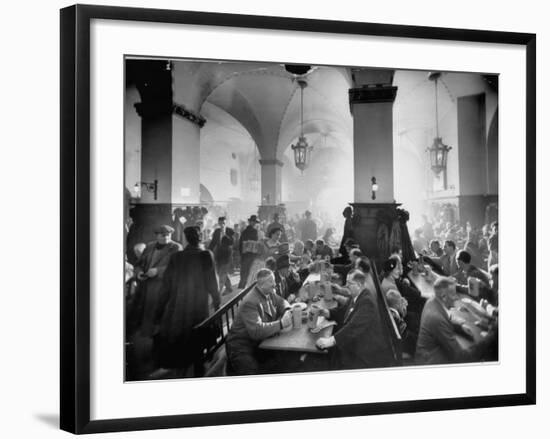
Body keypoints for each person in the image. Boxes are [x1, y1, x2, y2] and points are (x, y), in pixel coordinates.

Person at [151, 226, 219, 375]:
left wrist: (159, 310)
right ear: (200, 237)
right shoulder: (206, 255)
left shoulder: (177, 257)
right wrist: (217, 301)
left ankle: (183, 367)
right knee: (199, 331)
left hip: (179, 303)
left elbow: (166, 286)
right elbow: (212, 283)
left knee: (183, 333)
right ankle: (197, 367)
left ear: (186, 238)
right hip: (199, 303)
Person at [316, 269, 394, 369]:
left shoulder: (367, 302)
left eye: (349, 283)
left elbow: (353, 327)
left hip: (366, 354)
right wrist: (327, 312)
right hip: (357, 344)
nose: (346, 285)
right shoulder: (357, 295)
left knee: (328, 358)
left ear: (359, 285)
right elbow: (343, 311)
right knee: (330, 353)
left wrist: (330, 341)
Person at [226, 269, 293, 375]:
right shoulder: (250, 302)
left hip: (258, 342)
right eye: (271, 281)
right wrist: (281, 323)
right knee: (253, 372)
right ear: (261, 285)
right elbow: (256, 331)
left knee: (283, 360)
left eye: (274, 281)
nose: (274, 284)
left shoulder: (269, 292)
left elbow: (281, 302)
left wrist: (287, 310)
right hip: (241, 345)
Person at [415, 277, 495, 365]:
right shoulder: (437, 319)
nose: (456, 297)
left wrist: (460, 327)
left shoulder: (432, 301)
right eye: (453, 294)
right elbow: (460, 357)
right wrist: (490, 337)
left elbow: (445, 318)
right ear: (444, 296)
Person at [131, 225, 182, 338]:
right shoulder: (149, 246)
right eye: (162, 235)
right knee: (146, 315)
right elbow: (138, 264)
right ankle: (147, 338)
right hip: (147, 287)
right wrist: (139, 272)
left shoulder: (176, 248)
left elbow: (177, 268)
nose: (165, 237)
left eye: (168, 235)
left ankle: (160, 338)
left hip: (165, 288)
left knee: (162, 316)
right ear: (157, 236)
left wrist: (158, 271)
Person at [238, 215, 261, 289]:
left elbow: (240, 245)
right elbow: (256, 245)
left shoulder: (244, 231)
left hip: (245, 256)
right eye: (253, 222)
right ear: (250, 222)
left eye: (255, 222)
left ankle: (240, 293)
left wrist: (241, 254)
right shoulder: (254, 232)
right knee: (249, 276)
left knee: (243, 276)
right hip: (251, 256)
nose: (254, 223)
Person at [216, 228, 235, 296]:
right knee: (224, 276)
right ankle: (229, 288)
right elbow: (230, 258)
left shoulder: (222, 248)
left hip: (222, 264)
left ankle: (218, 293)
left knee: (221, 278)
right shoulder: (228, 248)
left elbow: (218, 257)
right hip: (224, 264)